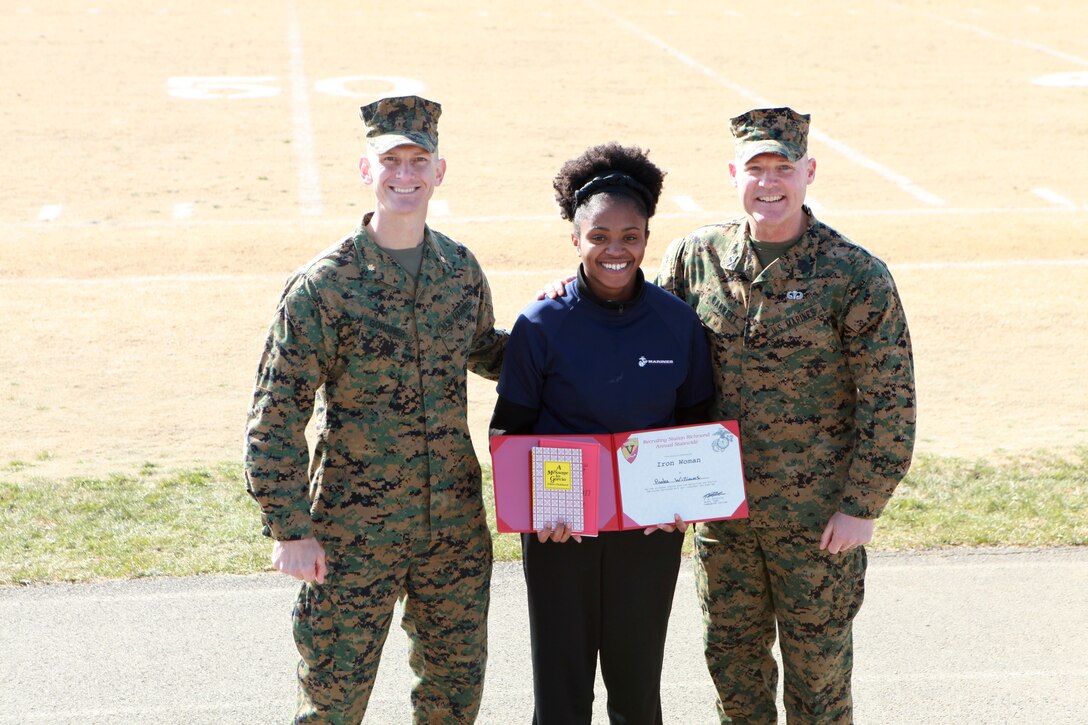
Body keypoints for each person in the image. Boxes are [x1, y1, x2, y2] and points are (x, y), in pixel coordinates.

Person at [243, 95, 505, 724]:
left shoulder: (459, 270)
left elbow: (490, 353)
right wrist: (290, 526)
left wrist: (571, 317)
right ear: (368, 169)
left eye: (420, 159)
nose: (406, 174)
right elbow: (276, 412)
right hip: (352, 532)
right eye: (392, 160)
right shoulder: (325, 286)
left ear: (440, 171)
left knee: (453, 699)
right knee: (332, 704)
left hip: (453, 532)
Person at [655, 108, 917, 723]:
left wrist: (862, 507)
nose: (768, 183)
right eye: (755, 168)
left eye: (783, 168)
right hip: (723, 515)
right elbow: (649, 358)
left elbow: (890, 400)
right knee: (733, 669)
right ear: (732, 174)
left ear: (809, 172)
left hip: (818, 521)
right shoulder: (697, 258)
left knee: (817, 681)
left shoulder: (853, 274)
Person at [490, 143, 714, 724]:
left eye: (630, 236)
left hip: (651, 532)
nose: (615, 249)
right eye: (599, 236)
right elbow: (509, 432)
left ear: (647, 237)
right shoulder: (541, 323)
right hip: (561, 534)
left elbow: (697, 421)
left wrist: (682, 500)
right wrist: (542, 511)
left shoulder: (676, 322)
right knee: (561, 694)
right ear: (575, 238)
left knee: (637, 689)